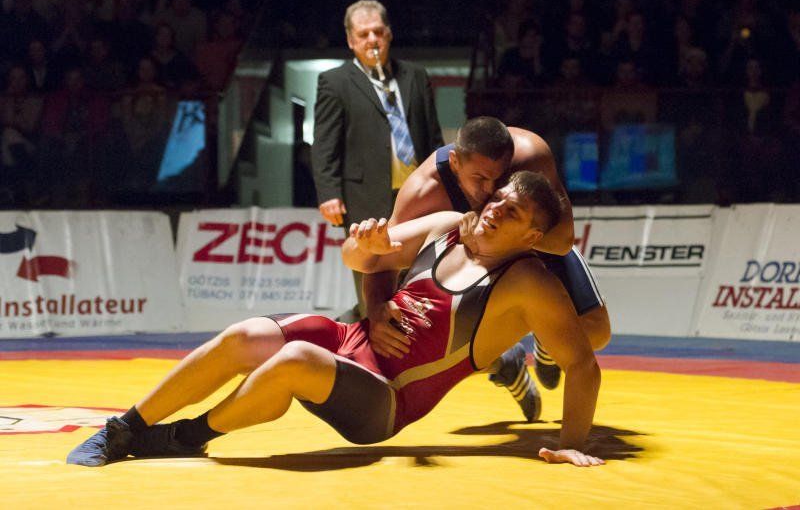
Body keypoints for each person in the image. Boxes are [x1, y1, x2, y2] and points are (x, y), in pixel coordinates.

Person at [66, 170, 603, 468]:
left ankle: (184, 437)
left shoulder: (528, 282)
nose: (495, 209)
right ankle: (125, 428)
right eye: (499, 198)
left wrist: (573, 442)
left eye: (512, 212)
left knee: (296, 359)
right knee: (243, 336)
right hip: (351, 340)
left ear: (532, 235)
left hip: (385, 399)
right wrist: (365, 245)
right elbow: (357, 259)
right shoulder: (446, 224)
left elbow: (582, 363)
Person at [363, 117, 611, 422]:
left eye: (501, 179)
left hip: (533, 246)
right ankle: (506, 364)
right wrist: (376, 308)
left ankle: (545, 341)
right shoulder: (423, 191)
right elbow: (383, 255)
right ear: (455, 163)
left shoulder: (531, 153)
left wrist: (488, 226)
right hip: (467, 264)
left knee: (597, 331)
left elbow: (561, 241)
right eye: (479, 178)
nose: (491, 189)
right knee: (414, 338)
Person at [311, 0, 442, 320]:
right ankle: (362, 330)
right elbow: (325, 144)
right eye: (363, 34)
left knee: (419, 275)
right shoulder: (335, 82)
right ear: (351, 41)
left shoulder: (415, 76)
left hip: (419, 193)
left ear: (389, 34)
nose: (372, 40)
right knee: (370, 278)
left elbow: (433, 137)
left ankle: (408, 335)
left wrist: (445, 184)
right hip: (364, 195)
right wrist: (329, 193)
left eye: (378, 32)